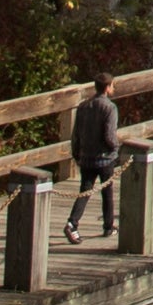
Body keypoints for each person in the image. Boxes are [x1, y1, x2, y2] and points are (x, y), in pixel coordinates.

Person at [59, 79, 124, 241]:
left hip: (86, 157)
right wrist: (117, 148)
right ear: (108, 87)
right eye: (112, 85)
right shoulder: (110, 107)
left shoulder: (83, 106)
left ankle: (72, 223)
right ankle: (108, 226)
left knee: (85, 191)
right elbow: (109, 136)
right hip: (104, 158)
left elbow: (76, 134)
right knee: (107, 193)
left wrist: (76, 153)